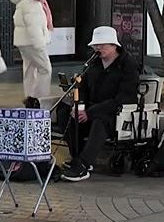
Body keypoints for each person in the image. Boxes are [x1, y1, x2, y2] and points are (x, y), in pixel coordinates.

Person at [59, 26, 139, 182]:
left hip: (114, 112)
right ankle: (77, 157)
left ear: (114, 46)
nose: (98, 49)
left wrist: (91, 112)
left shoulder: (127, 65)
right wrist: (79, 106)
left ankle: (83, 164)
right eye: (96, 45)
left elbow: (123, 98)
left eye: (102, 45)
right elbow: (82, 87)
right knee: (64, 112)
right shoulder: (93, 64)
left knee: (100, 120)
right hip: (89, 108)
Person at [9, 0, 53, 106]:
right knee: (45, 69)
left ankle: (30, 96)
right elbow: (33, 25)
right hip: (33, 42)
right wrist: (39, 43)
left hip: (24, 42)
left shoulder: (24, 0)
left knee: (29, 69)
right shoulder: (31, 2)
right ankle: (38, 99)